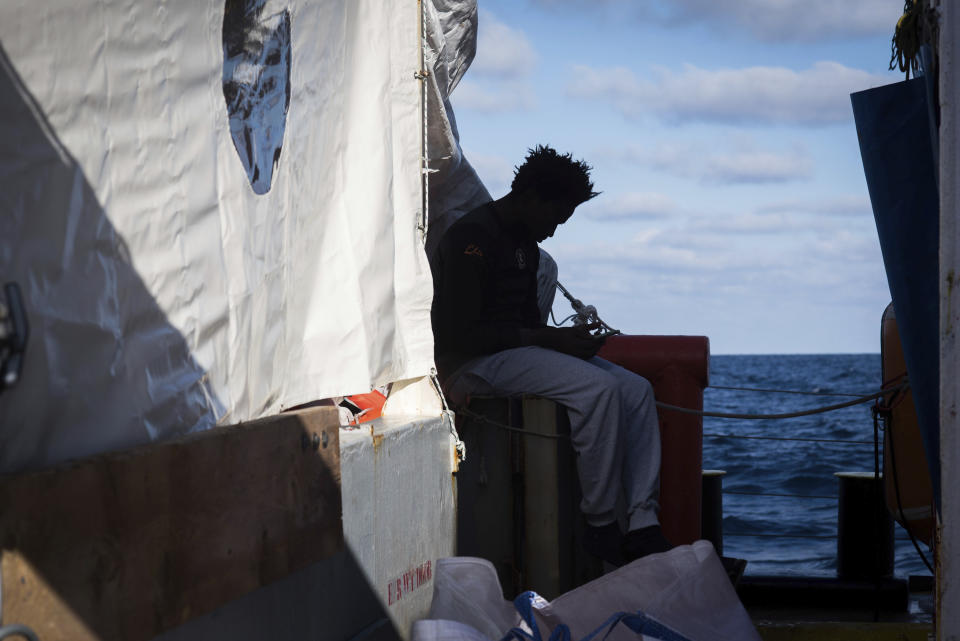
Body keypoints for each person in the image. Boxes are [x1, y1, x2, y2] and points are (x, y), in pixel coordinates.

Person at [430, 145, 671, 565]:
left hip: (512, 355)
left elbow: (526, 327)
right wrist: (548, 341)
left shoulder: (524, 245)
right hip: (472, 365)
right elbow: (459, 335)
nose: (555, 232)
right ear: (531, 197)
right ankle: (600, 524)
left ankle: (642, 522)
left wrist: (561, 341)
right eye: (556, 218)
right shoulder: (473, 238)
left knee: (635, 390)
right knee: (598, 390)